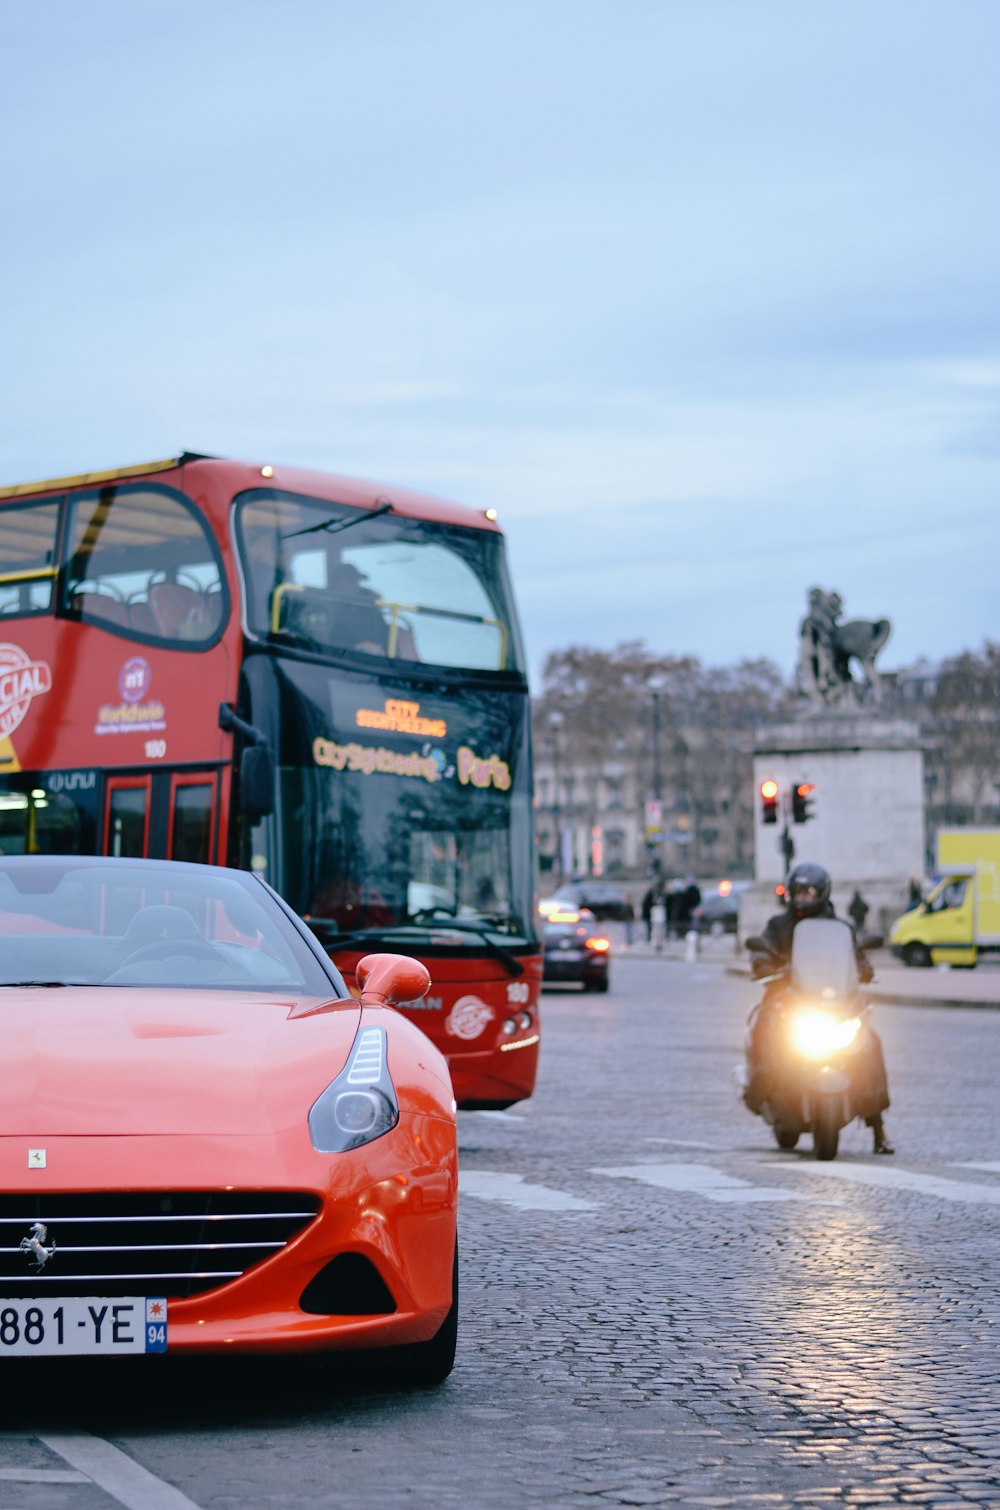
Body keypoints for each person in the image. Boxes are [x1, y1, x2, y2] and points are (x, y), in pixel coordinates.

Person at [745, 861, 894, 1154]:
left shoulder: (840, 927)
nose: (803, 897)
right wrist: (764, 966)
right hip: (789, 999)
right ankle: (757, 1091)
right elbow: (762, 948)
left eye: (809, 892)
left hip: (834, 1002)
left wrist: (863, 968)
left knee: (870, 1044)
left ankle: (878, 1128)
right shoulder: (778, 925)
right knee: (766, 1028)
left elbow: (854, 957)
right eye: (798, 892)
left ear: (823, 893)